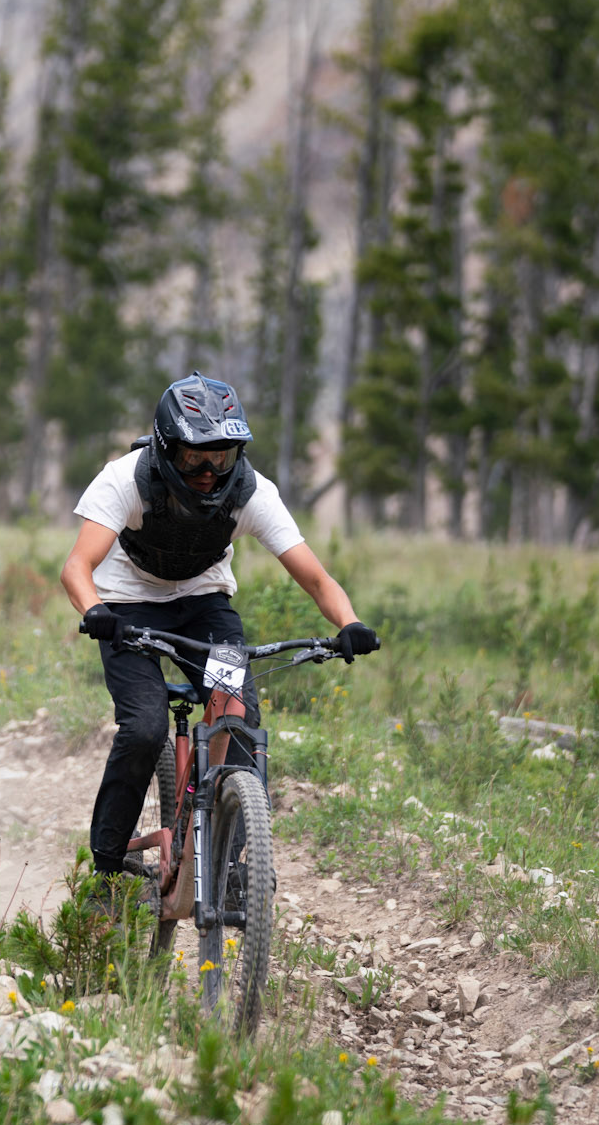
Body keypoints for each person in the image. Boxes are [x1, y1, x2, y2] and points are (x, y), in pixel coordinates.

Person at [60, 370, 378, 882]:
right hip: (125, 604)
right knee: (144, 728)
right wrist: (94, 611)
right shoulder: (125, 480)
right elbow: (77, 566)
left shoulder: (252, 493)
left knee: (238, 715)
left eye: (222, 457)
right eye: (195, 458)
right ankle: (107, 868)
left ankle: (232, 866)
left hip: (203, 603)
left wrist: (350, 622)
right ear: (166, 449)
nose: (209, 472)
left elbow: (317, 579)